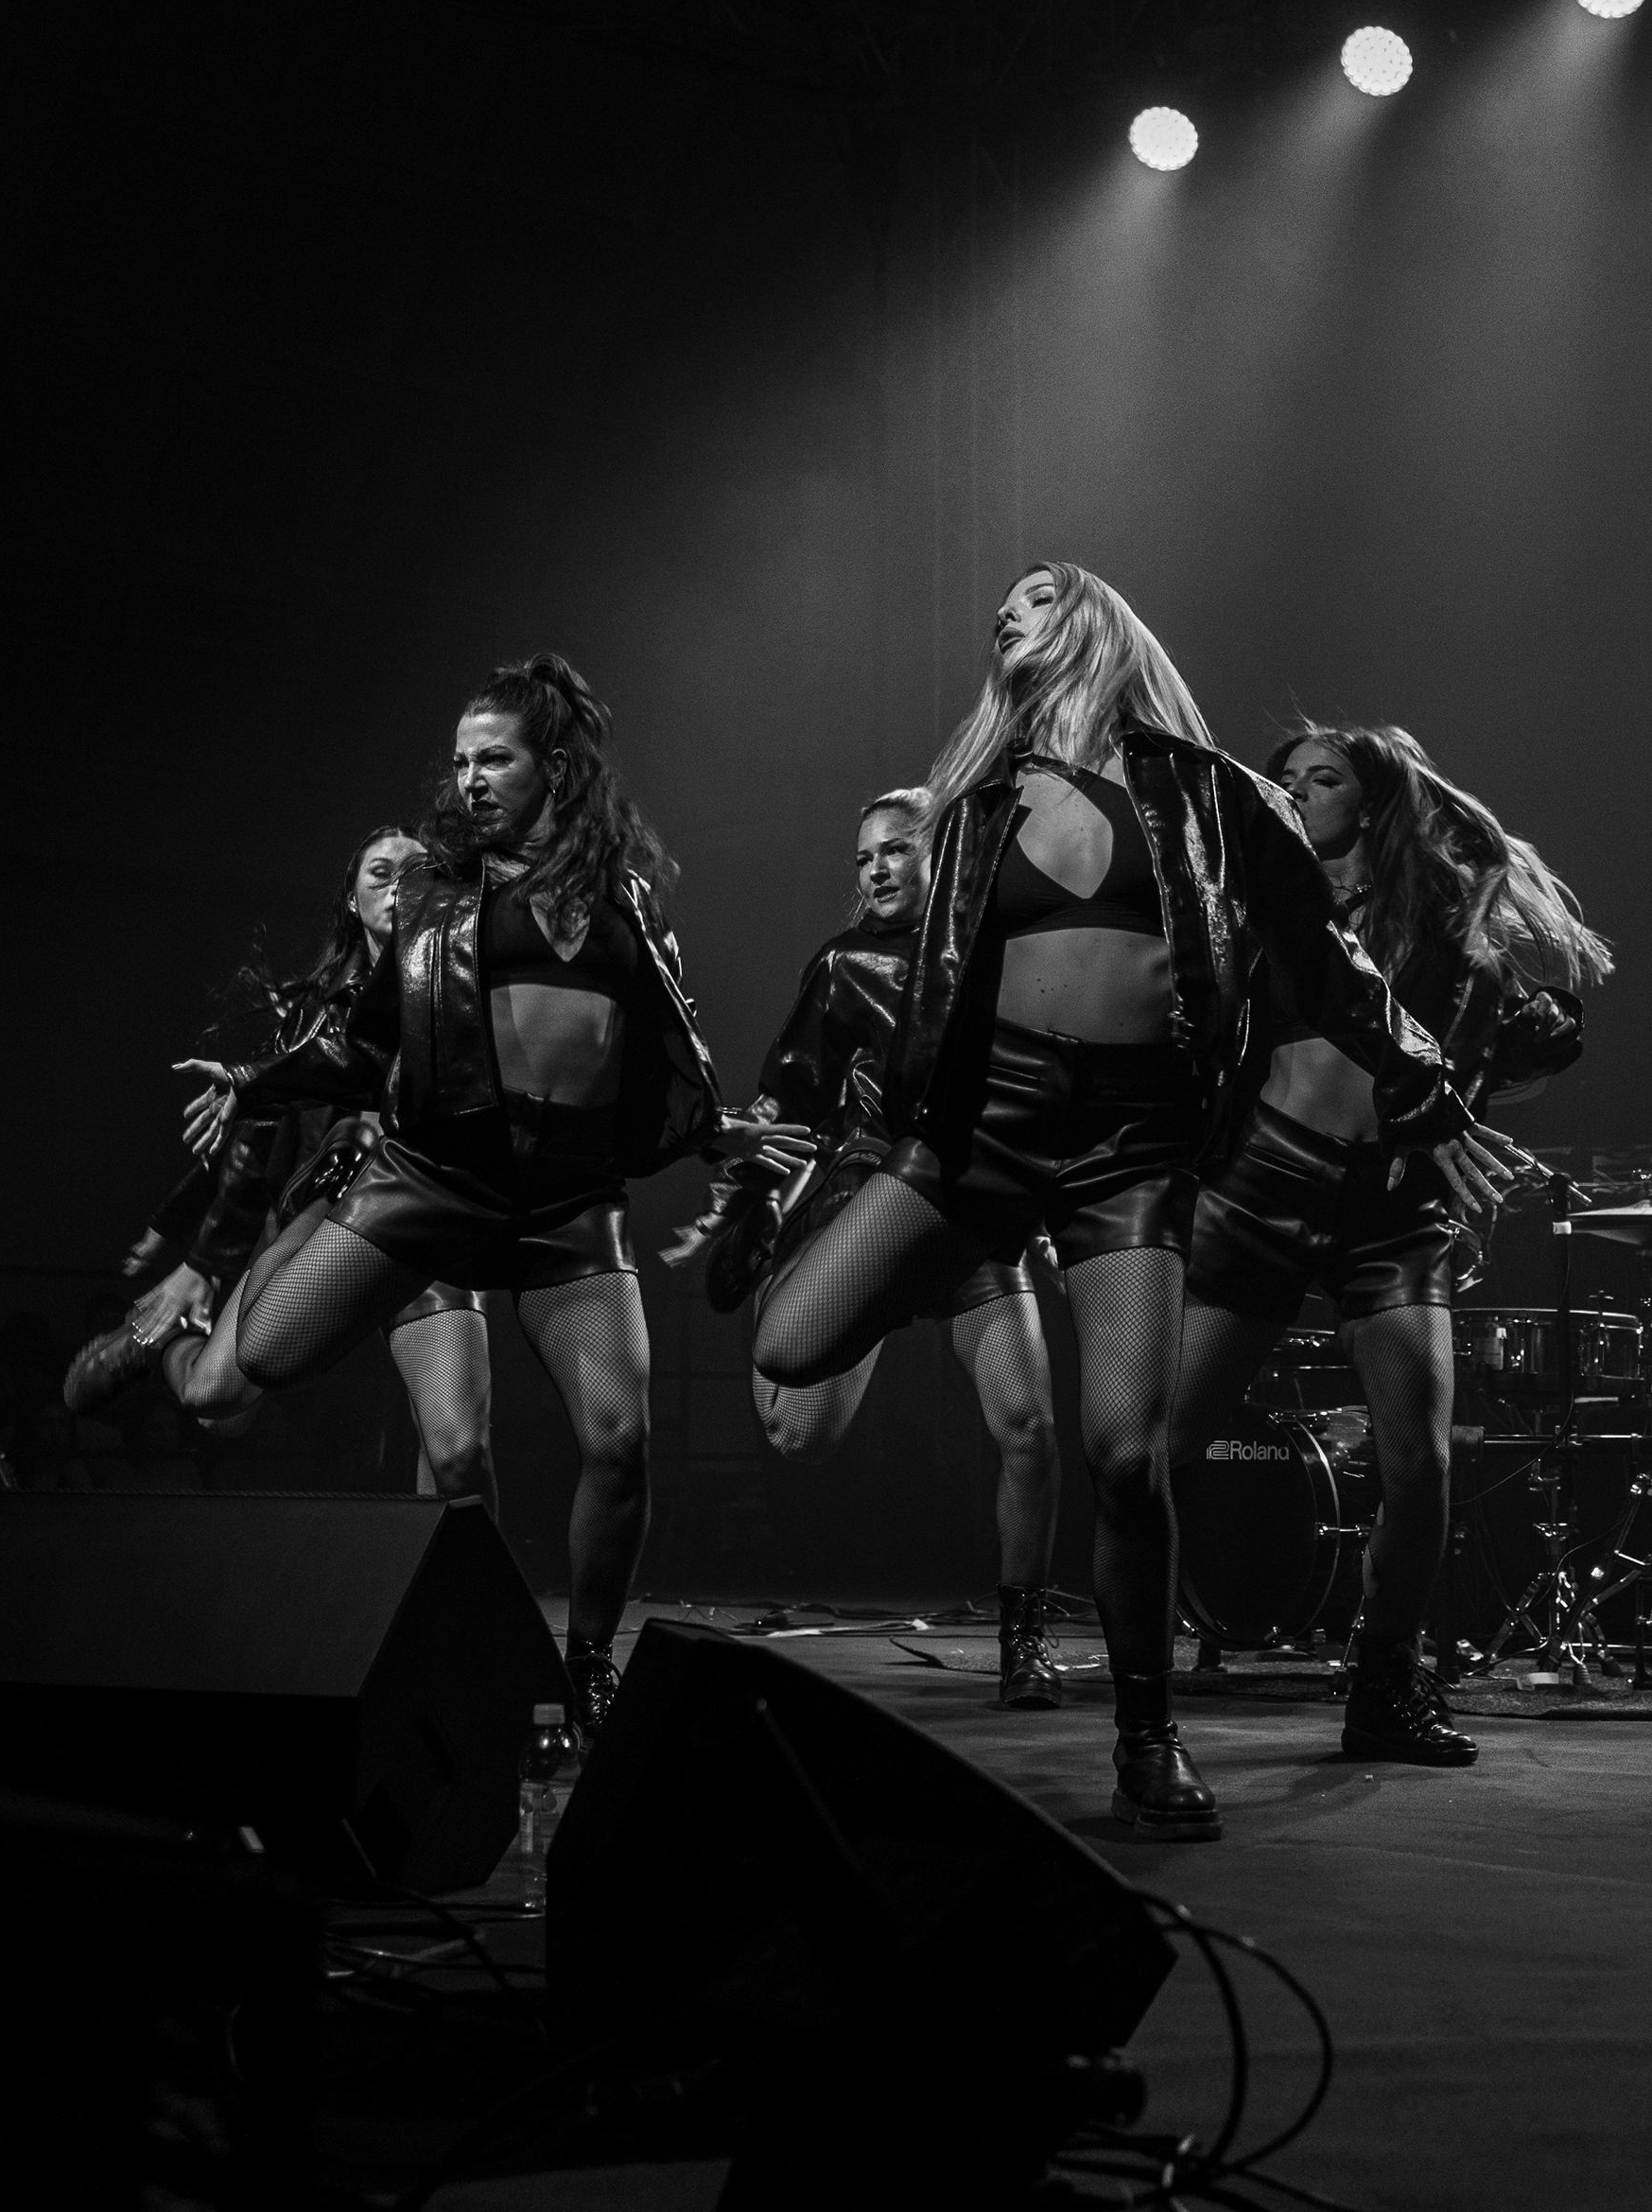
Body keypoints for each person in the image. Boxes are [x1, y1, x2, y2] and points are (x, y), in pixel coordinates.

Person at [754, 564, 1508, 1840]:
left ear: (1098, 622)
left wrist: (1423, 1076)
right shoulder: (977, 801)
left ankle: (1148, 1740)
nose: (1008, 610)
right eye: (1001, 605)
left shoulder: (1214, 793)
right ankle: (961, 1263)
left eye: (1038, 594)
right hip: (982, 1130)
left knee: (1125, 1455)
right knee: (789, 1343)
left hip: (1132, 1145)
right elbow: (930, 978)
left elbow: (1329, 963)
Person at [177, 654, 811, 1735]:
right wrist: (251, 1079)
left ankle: (584, 1662)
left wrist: (715, 1130)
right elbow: (360, 1042)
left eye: (494, 759)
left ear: (554, 768)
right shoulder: (435, 895)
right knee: (266, 1358)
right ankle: (262, 1254)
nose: (470, 779)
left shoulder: (624, 899)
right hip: (437, 1181)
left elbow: (657, 1046)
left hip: (570, 1202)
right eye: (461, 762)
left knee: (620, 1440)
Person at [1171, 722, 1609, 1765]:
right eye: (1284, 779)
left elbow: (1524, 1021)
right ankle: (1145, 1699)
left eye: (1322, 778)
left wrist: (1475, 1088)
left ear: (1371, 801)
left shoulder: (1437, 918)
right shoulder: (1261, 902)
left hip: (1393, 1212)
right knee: (1156, 1446)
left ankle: (1385, 1686)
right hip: (1266, 1187)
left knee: (1420, 1463)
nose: (1296, 792)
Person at [688, 788, 1065, 1706]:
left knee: (1029, 1425)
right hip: (874, 1205)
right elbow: (790, 1091)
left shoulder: (1006, 957)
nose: (876, 869)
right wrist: (746, 1189)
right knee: (798, 1436)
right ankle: (816, 1289)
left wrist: (1051, 1210)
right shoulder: (846, 963)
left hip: (976, 1215)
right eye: (863, 858)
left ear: (946, 856)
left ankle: (1025, 1641)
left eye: (895, 849)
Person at [62, 827, 453, 1416]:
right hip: (327, 1207)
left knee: (454, 1442)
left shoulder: (454, 982)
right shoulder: (317, 1010)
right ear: (352, 900)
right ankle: (167, 1346)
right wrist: (200, 1254)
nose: (400, 885)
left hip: (428, 1207)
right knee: (220, 1405)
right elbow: (253, 1129)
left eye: (418, 872)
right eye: (381, 873)